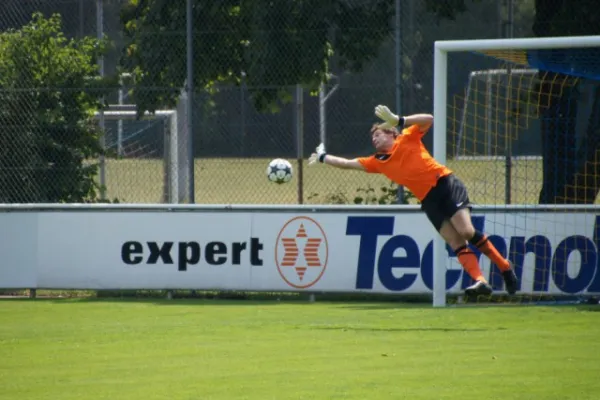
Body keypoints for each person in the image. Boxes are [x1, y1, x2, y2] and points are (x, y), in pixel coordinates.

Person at [308, 105, 518, 297]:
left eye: (378, 134)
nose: (374, 139)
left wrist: (398, 119)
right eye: (372, 137)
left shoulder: (408, 137)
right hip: (429, 201)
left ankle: (504, 267)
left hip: (445, 184)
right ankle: (480, 281)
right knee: (455, 242)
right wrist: (322, 157)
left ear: (392, 133)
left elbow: (428, 119)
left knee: (466, 232)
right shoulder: (377, 162)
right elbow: (346, 163)